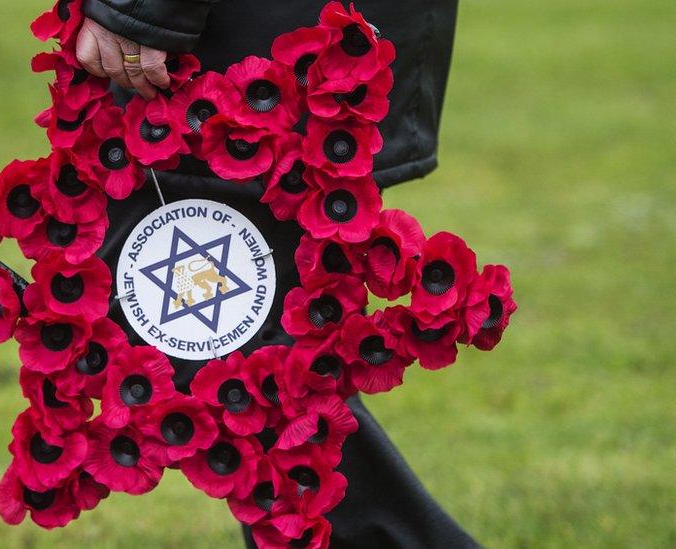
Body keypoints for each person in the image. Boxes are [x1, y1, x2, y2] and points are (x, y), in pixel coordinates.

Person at [79, 1, 479, 546]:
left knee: (256, 371)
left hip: (253, 38)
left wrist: (141, 9)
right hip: (293, 36)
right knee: (265, 368)